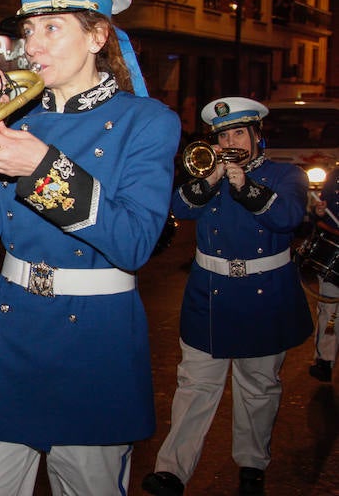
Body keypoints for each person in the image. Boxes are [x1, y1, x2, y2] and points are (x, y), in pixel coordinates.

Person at [0, 0, 181, 495]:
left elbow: (136, 242)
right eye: (28, 30)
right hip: (9, 329)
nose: (33, 45)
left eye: (52, 27)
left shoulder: (147, 122)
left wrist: (43, 169)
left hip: (94, 340)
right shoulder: (18, 119)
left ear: (99, 35)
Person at [142, 97, 312, 496]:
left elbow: (287, 218)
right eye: (222, 134)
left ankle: (252, 463)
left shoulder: (286, 175)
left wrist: (243, 185)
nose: (230, 140)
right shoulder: (210, 176)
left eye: (238, 132)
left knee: (258, 386)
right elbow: (178, 208)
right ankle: (172, 470)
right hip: (210, 293)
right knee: (195, 384)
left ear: (256, 135)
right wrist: (213, 178)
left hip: (264, 295)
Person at [307, 165, 339, 381]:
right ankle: (324, 360)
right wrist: (317, 211)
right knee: (329, 311)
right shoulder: (335, 175)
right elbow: (319, 211)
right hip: (333, 248)